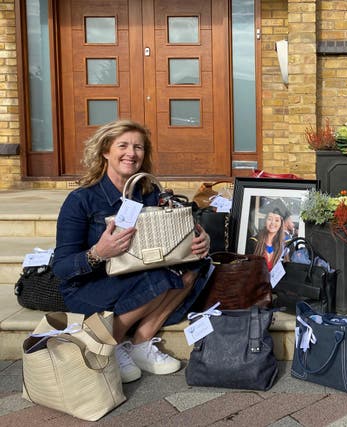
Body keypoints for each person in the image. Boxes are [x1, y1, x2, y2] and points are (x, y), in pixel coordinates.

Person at [53, 120, 211, 384]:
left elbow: (175, 242)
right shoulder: (81, 200)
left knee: (194, 266)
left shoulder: (150, 194)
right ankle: (108, 345)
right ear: (105, 151)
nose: (131, 153)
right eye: (123, 145)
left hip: (137, 275)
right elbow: (62, 267)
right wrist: (98, 252)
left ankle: (140, 344)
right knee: (161, 278)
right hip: (91, 284)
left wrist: (199, 240)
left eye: (138, 147)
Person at [246, 198, 288, 270]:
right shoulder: (253, 242)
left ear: (281, 223)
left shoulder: (286, 245)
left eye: (277, 220)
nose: (273, 223)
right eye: (269, 219)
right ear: (265, 221)